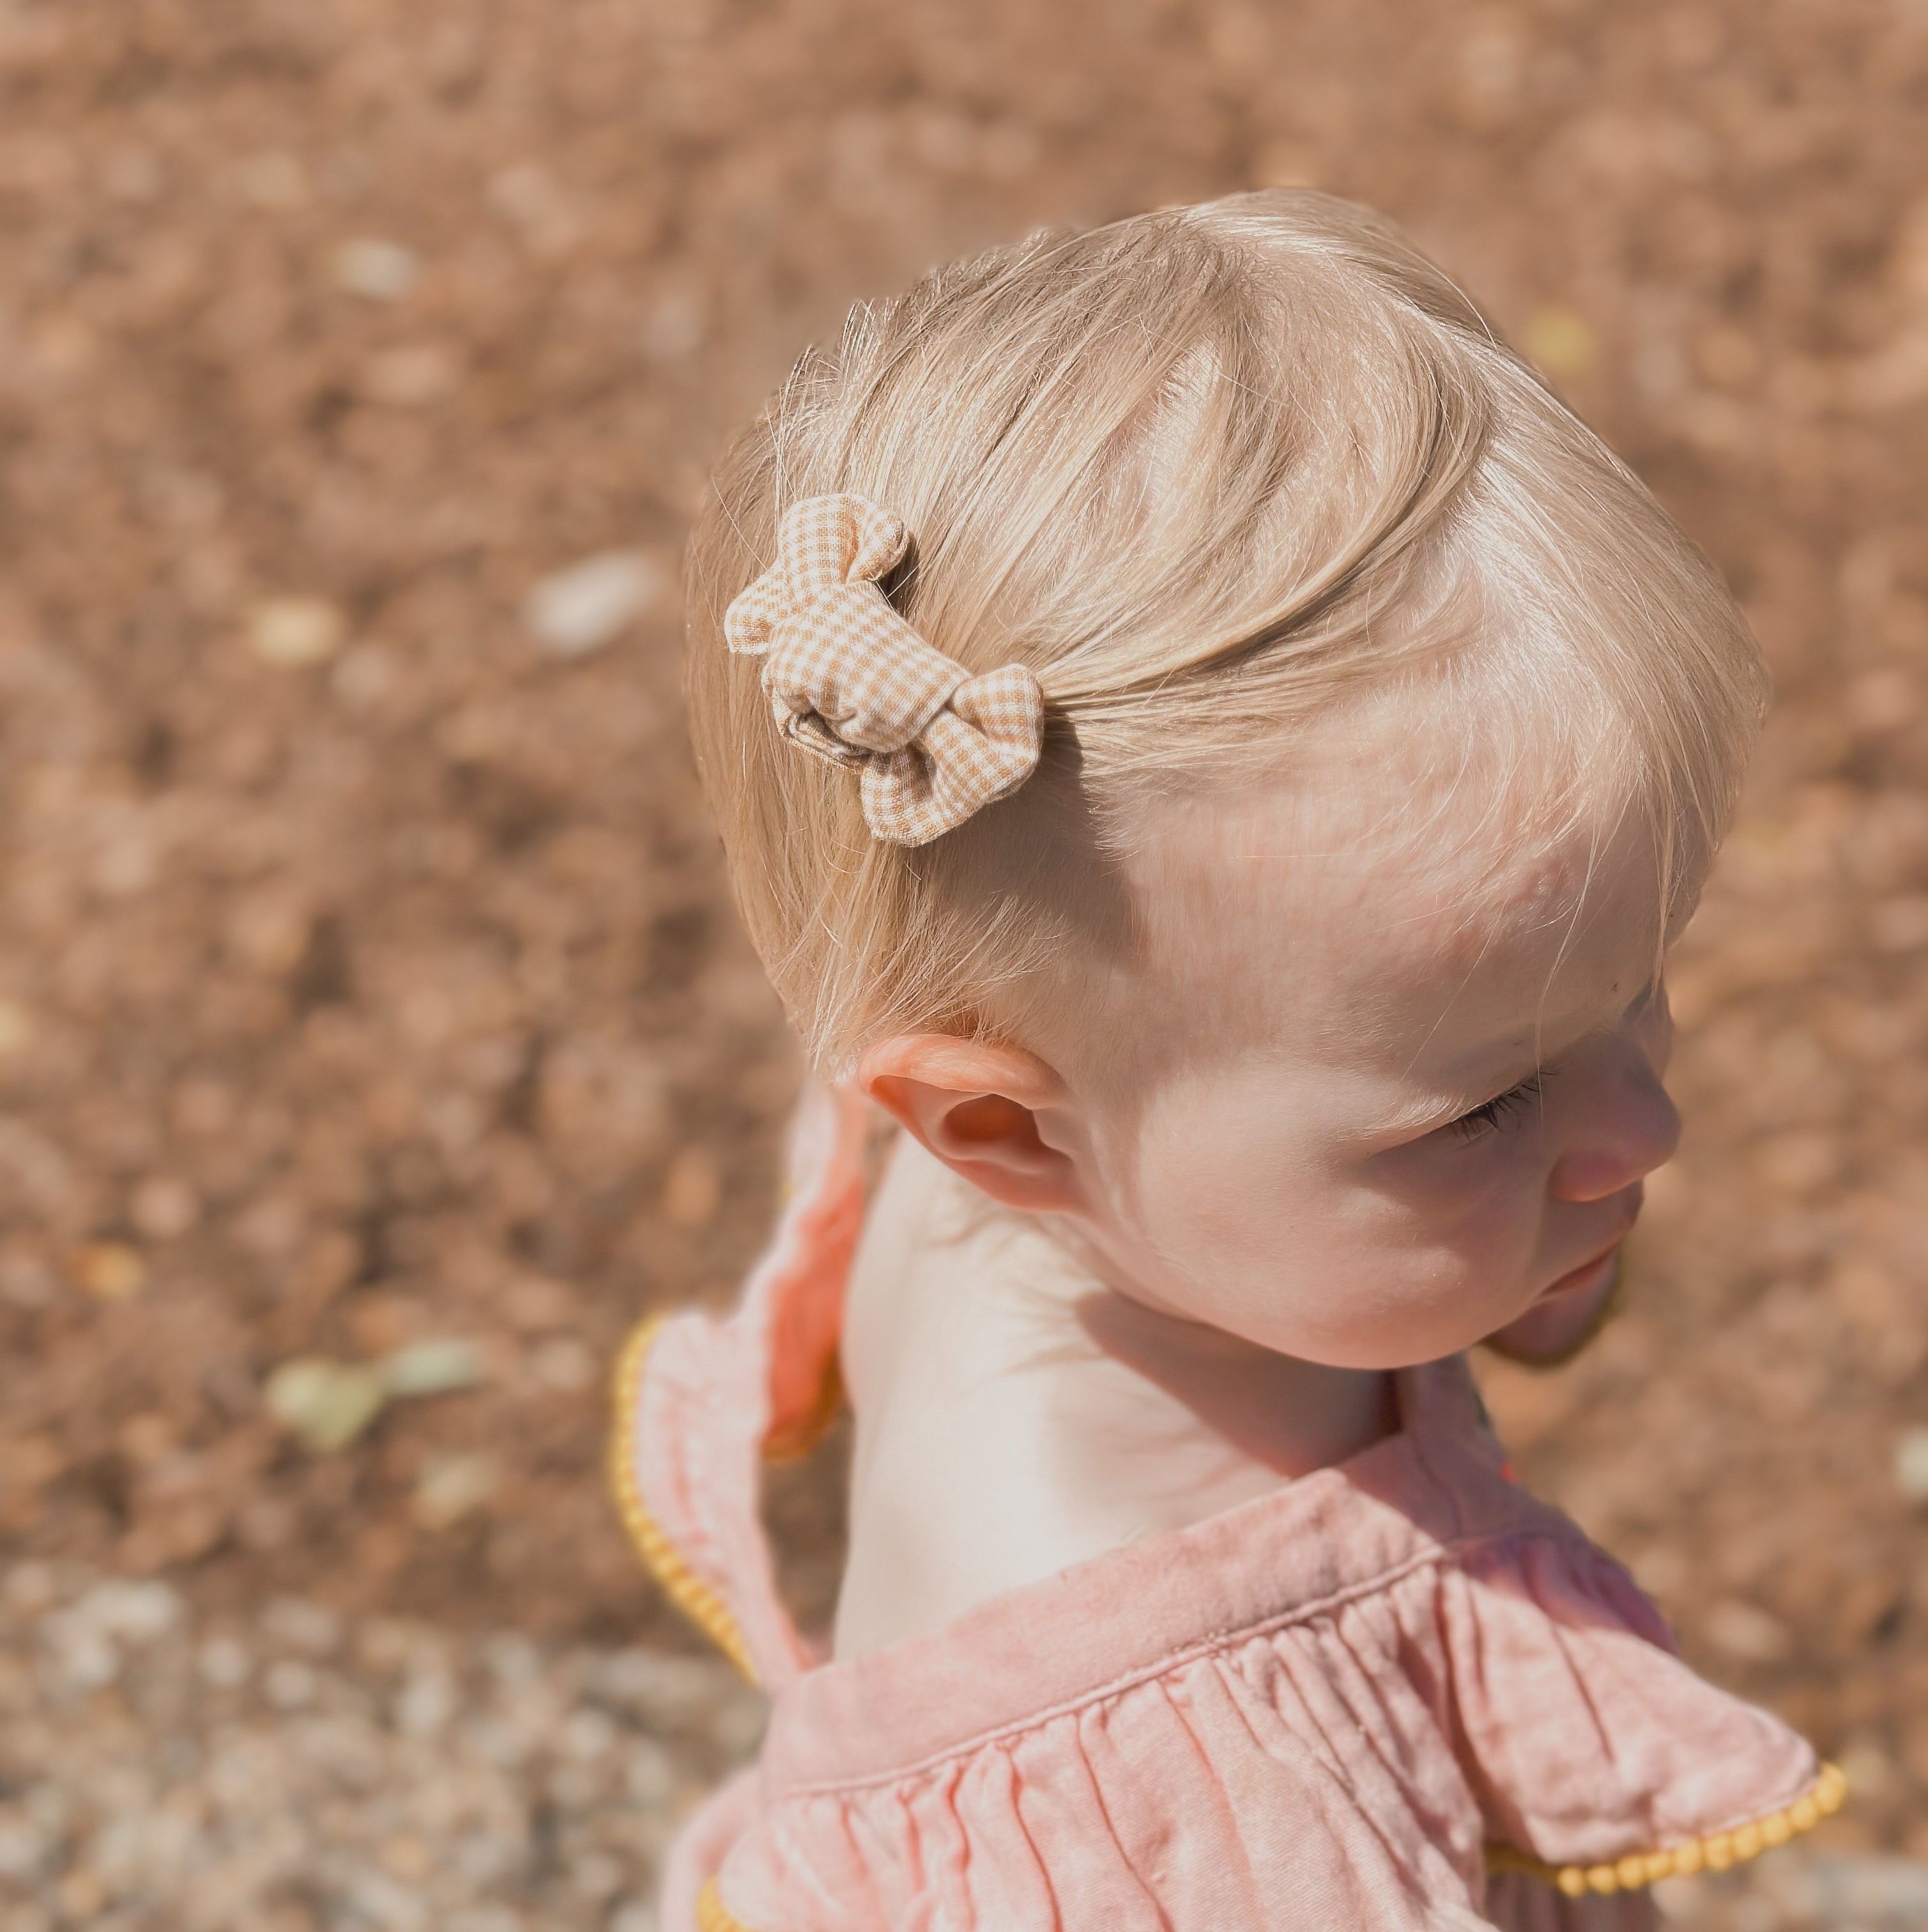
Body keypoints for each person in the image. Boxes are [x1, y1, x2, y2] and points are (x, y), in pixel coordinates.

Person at [613, 192, 1843, 1931]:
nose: (1647, 1125)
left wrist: (1497, 1197)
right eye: (1488, 1101)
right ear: (992, 1125)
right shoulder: (1172, 1796)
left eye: (1638, 989)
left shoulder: (1106, 1164)